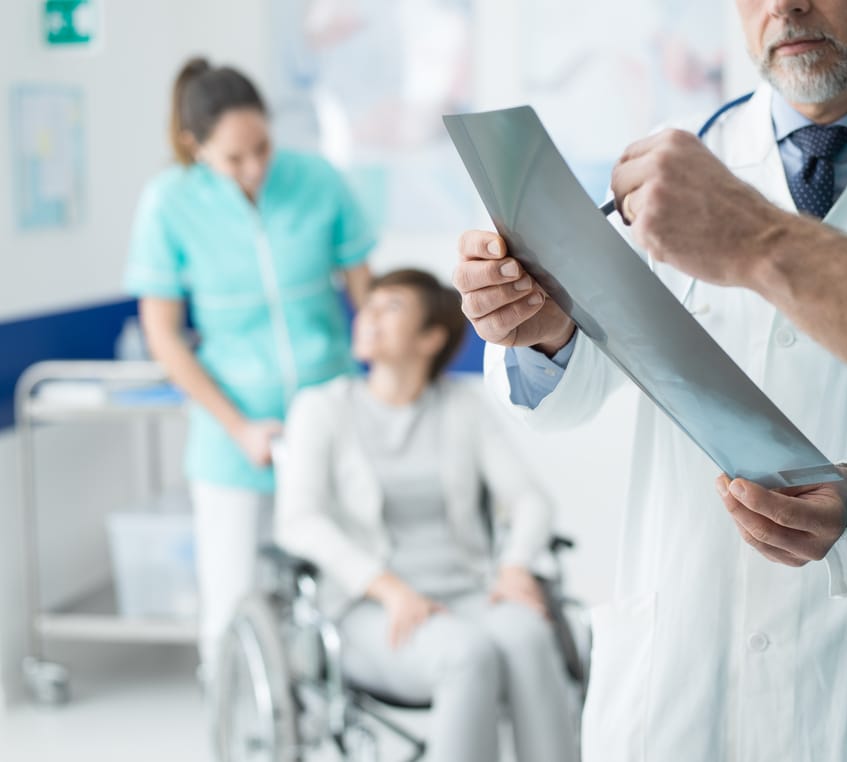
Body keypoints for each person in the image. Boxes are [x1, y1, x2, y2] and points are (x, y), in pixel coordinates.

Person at [452, 1, 847, 759]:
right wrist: (543, 332)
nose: (784, 4)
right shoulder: (673, 170)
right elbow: (564, 402)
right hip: (676, 683)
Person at [123, 58, 376, 683]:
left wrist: (381, 384)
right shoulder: (169, 203)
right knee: (231, 600)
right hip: (231, 426)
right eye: (235, 158)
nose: (256, 168)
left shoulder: (317, 179)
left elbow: (370, 304)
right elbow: (164, 336)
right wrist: (238, 426)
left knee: (347, 586)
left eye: (262, 147)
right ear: (195, 146)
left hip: (329, 410)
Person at [274, 269, 579, 762]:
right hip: (371, 609)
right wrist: (390, 590)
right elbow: (298, 521)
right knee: (465, 654)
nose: (369, 315)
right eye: (369, 305)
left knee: (527, 635)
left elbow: (530, 499)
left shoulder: (462, 406)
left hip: (470, 591)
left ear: (431, 337)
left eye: (390, 307)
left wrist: (515, 566)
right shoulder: (321, 409)